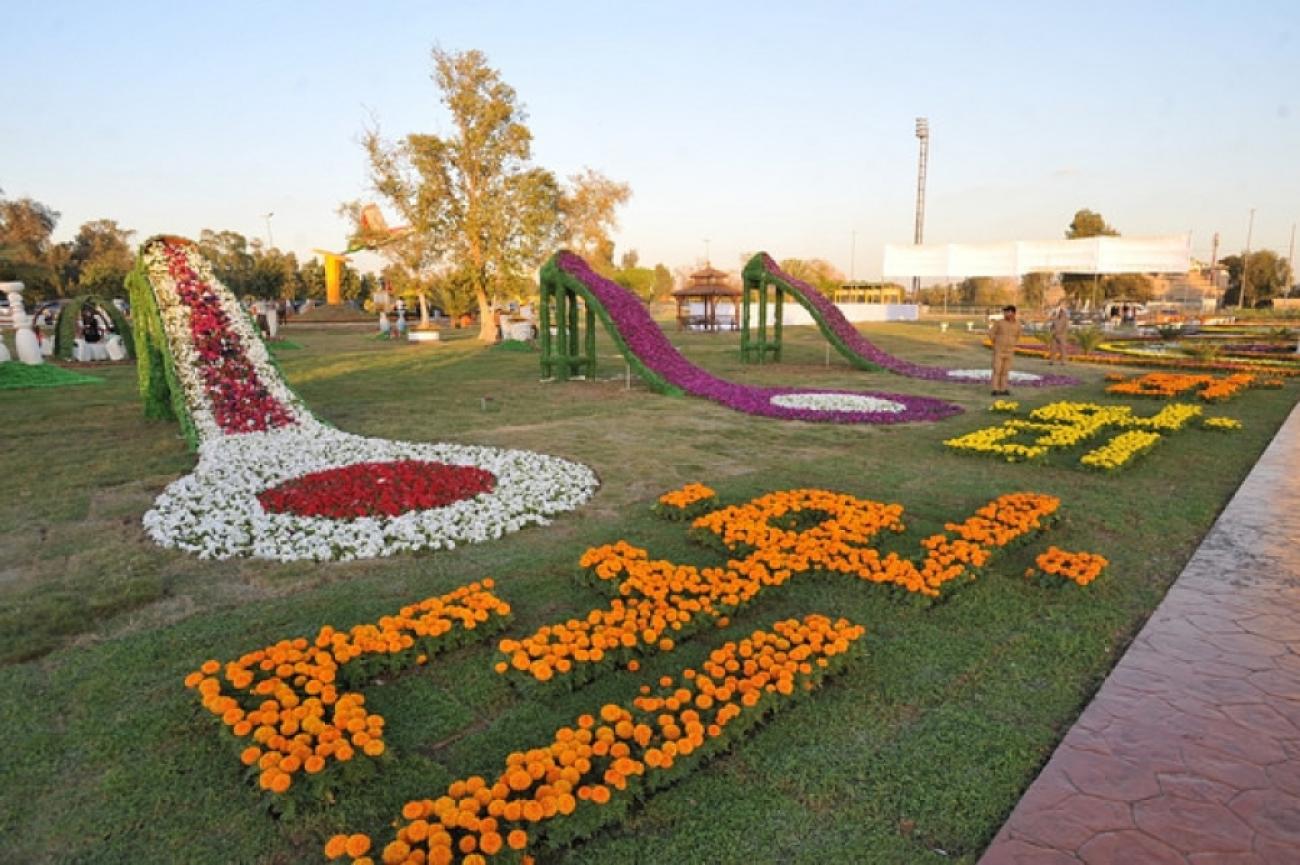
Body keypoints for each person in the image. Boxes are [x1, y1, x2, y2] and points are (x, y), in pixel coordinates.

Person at [989, 304, 1021, 396]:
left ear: (1013, 313)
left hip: (1010, 351)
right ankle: (995, 389)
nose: (1005, 313)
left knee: (1005, 371)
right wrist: (995, 343)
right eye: (1005, 312)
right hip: (999, 350)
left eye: (1007, 312)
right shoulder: (999, 323)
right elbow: (991, 333)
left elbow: (1018, 335)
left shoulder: (1018, 324)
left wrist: (1012, 343)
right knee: (997, 370)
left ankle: (1003, 389)